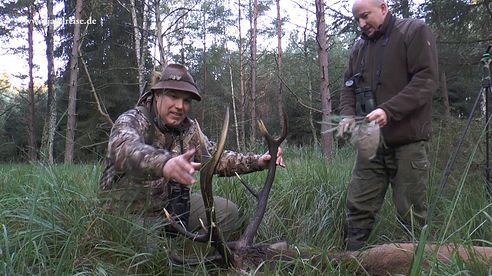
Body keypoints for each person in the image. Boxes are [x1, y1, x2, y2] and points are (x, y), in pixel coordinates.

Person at [99, 63, 284, 240]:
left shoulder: (189, 130)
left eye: (186, 100)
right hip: (128, 213)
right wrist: (164, 163)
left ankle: (196, 260)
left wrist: (258, 161)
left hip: (170, 207)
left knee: (227, 212)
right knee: (150, 253)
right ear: (157, 94)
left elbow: (215, 158)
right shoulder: (132, 120)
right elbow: (124, 149)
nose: (180, 106)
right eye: (173, 96)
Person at [338, 0, 438, 250]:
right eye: (357, 20)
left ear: (383, 8)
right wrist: (347, 115)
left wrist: (389, 110)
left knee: (411, 213)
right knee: (358, 206)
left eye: (365, 16)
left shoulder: (413, 31)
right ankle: (351, 261)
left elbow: (426, 80)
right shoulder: (359, 47)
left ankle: (414, 263)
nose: (361, 24)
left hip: (408, 141)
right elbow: (348, 86)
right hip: (370, 143)